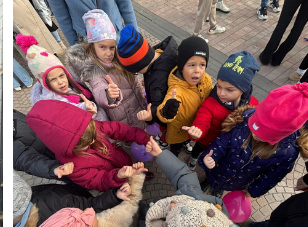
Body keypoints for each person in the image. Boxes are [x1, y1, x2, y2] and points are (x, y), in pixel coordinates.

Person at [200, 83, 308, 203]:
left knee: (224, 186)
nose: (254, 133)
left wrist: (254, 190)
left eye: (262, 133)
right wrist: (211, 156)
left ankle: (218, 189)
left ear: (279, 136)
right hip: (219, 168)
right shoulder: (243, 120)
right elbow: (222, 141)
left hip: (239, 181)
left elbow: (271, 177)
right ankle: (209, 182)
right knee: (211, 177)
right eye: (254, 124)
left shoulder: (287, 153)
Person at [27, 99, 158, 193]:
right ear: (69, 147)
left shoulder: (89, 128)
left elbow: (118, 129)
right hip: (112, 180)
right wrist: (118, 176)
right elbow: (98, 181)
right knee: (127, 189)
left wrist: (144, 139)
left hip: (121, 160)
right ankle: (133, 180)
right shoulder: (71, 166)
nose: (93, 140)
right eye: (86, 144)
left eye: (93, 136)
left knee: (135, 172)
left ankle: (138, 176)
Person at [63, 13, 151, 128]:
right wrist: (108, 95)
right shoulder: (94, 71)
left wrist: (141, 90)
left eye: (111, 47)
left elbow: (133, 79)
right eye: (102, 47)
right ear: (92, 45)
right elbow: (98, 89)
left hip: (140, 107)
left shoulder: (119, 59)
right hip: (126, 120)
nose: (108, 53)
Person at [185, 53, 259, 151]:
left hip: (227, 148)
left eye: (229, 90)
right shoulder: (210, 103)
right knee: (198, 150)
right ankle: (193, 159)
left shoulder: (253, 105)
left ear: (243, 89)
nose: (221, 93)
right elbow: (202, 120)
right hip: (207, 142)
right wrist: (196, 132)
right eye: (218, 86)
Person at [156, 37, 214, 158]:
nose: (197, 70)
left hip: (194, 127)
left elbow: (211, 95)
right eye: (191, 65)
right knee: (176, 149)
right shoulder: (176, 90)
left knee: (187, 140)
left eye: (202, 65)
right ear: (182, 66)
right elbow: (164, 107)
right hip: (178, 132)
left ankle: (187, 142)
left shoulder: (206, 79)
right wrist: (167, 112)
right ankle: (173, 156)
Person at [48, 0, 136, 46]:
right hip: (88, 44)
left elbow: (125, 3)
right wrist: (75, 46)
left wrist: (134, 35)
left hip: (118, 37)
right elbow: (63, 17)